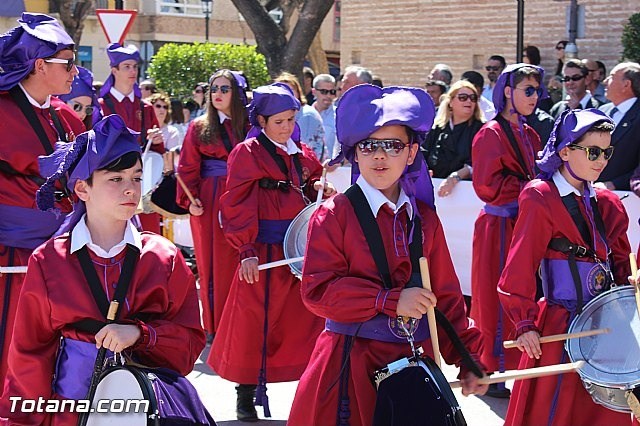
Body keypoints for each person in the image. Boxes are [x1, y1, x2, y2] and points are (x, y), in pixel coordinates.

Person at [288, 84, 487, 426]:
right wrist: (389, 299)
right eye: (368, 145)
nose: (379, 156)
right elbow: (318, 292)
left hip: (412, 363)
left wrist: (467, 358)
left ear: (411, 153)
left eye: (392, 146)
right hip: (349, 363)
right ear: (355, 153)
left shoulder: (424, 217)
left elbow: (447, 296)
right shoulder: (333, 214)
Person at [0, 114, 206, 424]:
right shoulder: (50, 261)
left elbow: (189, 343)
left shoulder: (164, 257)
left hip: (147, 410)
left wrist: (141, 333)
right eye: (115, 179)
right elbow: (29, 354)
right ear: (82, 188)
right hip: (70, 410)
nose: (130, 189)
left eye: (136, 178)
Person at [208, 83, 335, 422]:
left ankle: (310, 392)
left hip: (297, 252)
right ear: (261, 120)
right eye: (279, 121)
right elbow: (235, 204)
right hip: (262, 250)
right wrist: (246, 250)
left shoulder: (300, 152)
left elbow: (311, 183)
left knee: (305, 321)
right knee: (254, 323)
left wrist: (320, 187)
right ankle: (245, 397)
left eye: (291, 120)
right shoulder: (247, 153)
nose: (287, 127)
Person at [498, 109, 632, 426]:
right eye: (593, 151)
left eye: (607, 151)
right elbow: (519, 264)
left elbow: (625, 266)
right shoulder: (540, 195)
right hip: (562, 322)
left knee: (606, 412)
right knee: (555, 410)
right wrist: (524, 322)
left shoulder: (608, 202)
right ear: (565, 151)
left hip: (606, 325)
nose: (602, 160)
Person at [0, 12, 83, 385]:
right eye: (68, 62)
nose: (75, 71)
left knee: (51, 349)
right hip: (9, 256)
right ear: (38, 65)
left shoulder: (67, 117)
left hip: (58, 256)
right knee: (10, 346)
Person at [470, 63, 547, 398]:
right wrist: (530, 188)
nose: (535, 97)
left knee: (526, 293)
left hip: (525, 224)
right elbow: (487, 186)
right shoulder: (490, 133)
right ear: (507, 92)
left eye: (537, 91)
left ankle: (515, 367)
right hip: (499, 226)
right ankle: (492, 370)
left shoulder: (530, 133)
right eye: (527, 90)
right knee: (493, 296)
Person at [176, 69, 248, 337]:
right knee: (209, 264)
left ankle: (239, 325)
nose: (217, 94)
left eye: (224, 89)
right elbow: (186, 168)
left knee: (241, 260)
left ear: (237, 94)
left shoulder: (249, 126)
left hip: (243, 197)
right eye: (213, 89)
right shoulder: (199, 126)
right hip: (207, 200)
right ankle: (214, 327)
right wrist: (190, 200)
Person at [98, 42, 164, 233]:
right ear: (114, 70)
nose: (132, 71)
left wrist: (158, 140)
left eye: (135, 66)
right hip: (111, 182)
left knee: (147, 236)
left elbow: (159, 153)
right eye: (126, 66)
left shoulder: (146, 108)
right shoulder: (101, 106)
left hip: (142, 181)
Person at [422, 80, 484, 197]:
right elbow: (423, 153)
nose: (469, 101)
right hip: (435, 189)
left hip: (466, 194)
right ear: (450, 102)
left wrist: (454, 178)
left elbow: (479, 163)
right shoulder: (437, 128)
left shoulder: (481, 130)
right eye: (463, 97)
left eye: (473, 98)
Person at [597, 62, 640, 191]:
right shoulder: (602, 110)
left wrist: (614, 184)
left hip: (625, 197)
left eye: (611, 76)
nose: (605, 81)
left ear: (626, 84)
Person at [275, 72, 326, 161]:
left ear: (298, 92)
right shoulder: (278, 116)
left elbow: (305, 150)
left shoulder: (307, 115)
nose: (286, 93)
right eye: (282, 90)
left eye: (291, 90)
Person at [54, 65, 100, 134]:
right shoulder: (51, 129)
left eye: (88, 109)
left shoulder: (90, 135)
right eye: (77, 106)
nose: (83, 113)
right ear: (62, 102)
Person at [311, 73, 338, 161]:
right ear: (314, 92)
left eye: (332, 92)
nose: (328, 96)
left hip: (331, 171)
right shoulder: (304, 115)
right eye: (324, 92)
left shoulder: (340, 116)